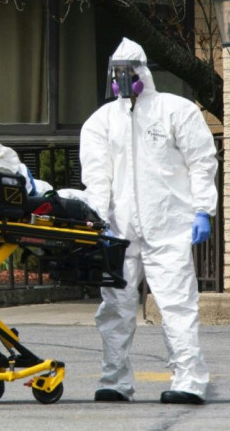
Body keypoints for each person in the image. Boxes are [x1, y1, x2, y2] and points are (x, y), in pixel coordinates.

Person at [80, 37, 218, 405]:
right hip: (119, 230)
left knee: (176, 306)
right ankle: (115, 380)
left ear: (143, 71)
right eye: (117, 72)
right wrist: (98, 219)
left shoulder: (176, 111)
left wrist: (203, 209)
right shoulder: (101, 122)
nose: (123, 79)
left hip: (169, 225)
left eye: (129, 71)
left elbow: (202, 162)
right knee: (115, 308)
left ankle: (188, 380)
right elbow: (97, 177)